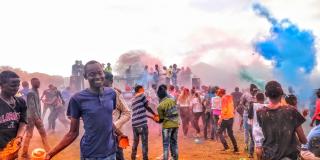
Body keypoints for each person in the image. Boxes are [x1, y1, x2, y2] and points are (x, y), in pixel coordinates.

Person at [45, 60, 117, 160]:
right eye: (92, 74)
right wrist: (50, 154)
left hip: (111, 153)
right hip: (91, 155)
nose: (97, 77)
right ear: (85, 76)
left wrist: (120, 134)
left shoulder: (112, 93)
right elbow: (73, 133)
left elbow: (108, 120)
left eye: (100, 73)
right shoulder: (77, 99)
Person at [257, 81, 307, 160]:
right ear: (282, 93)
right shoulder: (291, 111)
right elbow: (303, 139)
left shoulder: (260, 112)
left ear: (266, 94)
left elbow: (263, 134)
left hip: (268, 156)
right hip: (289, 157)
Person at [104, 72, 131, 160]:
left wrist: (115, 126)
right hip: (99, 138)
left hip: (114, 136)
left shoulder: (115, 94)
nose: (99, 81)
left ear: (110, 81)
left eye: (103, 79)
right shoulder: (94, 95)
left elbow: (127, 113)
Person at [0, 71, 27, 159]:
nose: (16, 88)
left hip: (12, 149)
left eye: (18, 85)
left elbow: (23, 122)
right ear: (2, 84)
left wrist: (19, 137)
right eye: (12, 85)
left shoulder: (21, 102)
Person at [21, 78, 50, 159]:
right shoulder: (31, 93)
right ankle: (24, 153)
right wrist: (38, 118)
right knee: (29, 135)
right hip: (31, 117)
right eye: (37, 82)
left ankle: (48, 151)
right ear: (33, 83)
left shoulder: (35, 91)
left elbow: (38, 106)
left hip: (36, 117)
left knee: (42, 134)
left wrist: (39, 117)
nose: (39, 84)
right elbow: (32, 107)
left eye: (39, 82)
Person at [131, 85, 157, 160]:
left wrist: (151, 117)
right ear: (139, 90)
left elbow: (139, 112)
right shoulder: (142, 96)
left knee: (135, 142)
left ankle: (133, 157)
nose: (143, 90)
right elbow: (147, 107)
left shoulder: (133, 99)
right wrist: (154, 114)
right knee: (144, 143)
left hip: (134, 124)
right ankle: (145, 158)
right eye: (142, 89)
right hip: (142, 124)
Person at [156, 84, 179, 160]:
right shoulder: (172, 100)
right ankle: (175, 158)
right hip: (175, 124)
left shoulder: (160, 106)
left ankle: (165, 158)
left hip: (167, 126)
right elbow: (176, 111)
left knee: (166, 144)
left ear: (159, 96)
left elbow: (161, 119)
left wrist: (157, 120)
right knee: (174, 143)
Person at [240, 84, 258, 153]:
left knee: (254, 130)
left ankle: (253, 146)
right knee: (246, 130)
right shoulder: (246, 95)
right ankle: (246, 145)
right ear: (251, 90)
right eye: (254, 91)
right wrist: (246, 108)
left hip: (254, 115)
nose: (255, 92)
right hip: (246, 114)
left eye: (256, 91)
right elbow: (241, 103)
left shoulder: (257, 96)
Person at [248, 92, 265, 159]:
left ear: (256, 98)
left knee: (258, 147)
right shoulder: (267, 105)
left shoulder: (253, 105)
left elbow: (249, 116)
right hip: (265, 129)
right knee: (265, 146)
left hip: (256, 128)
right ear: (263, 98)